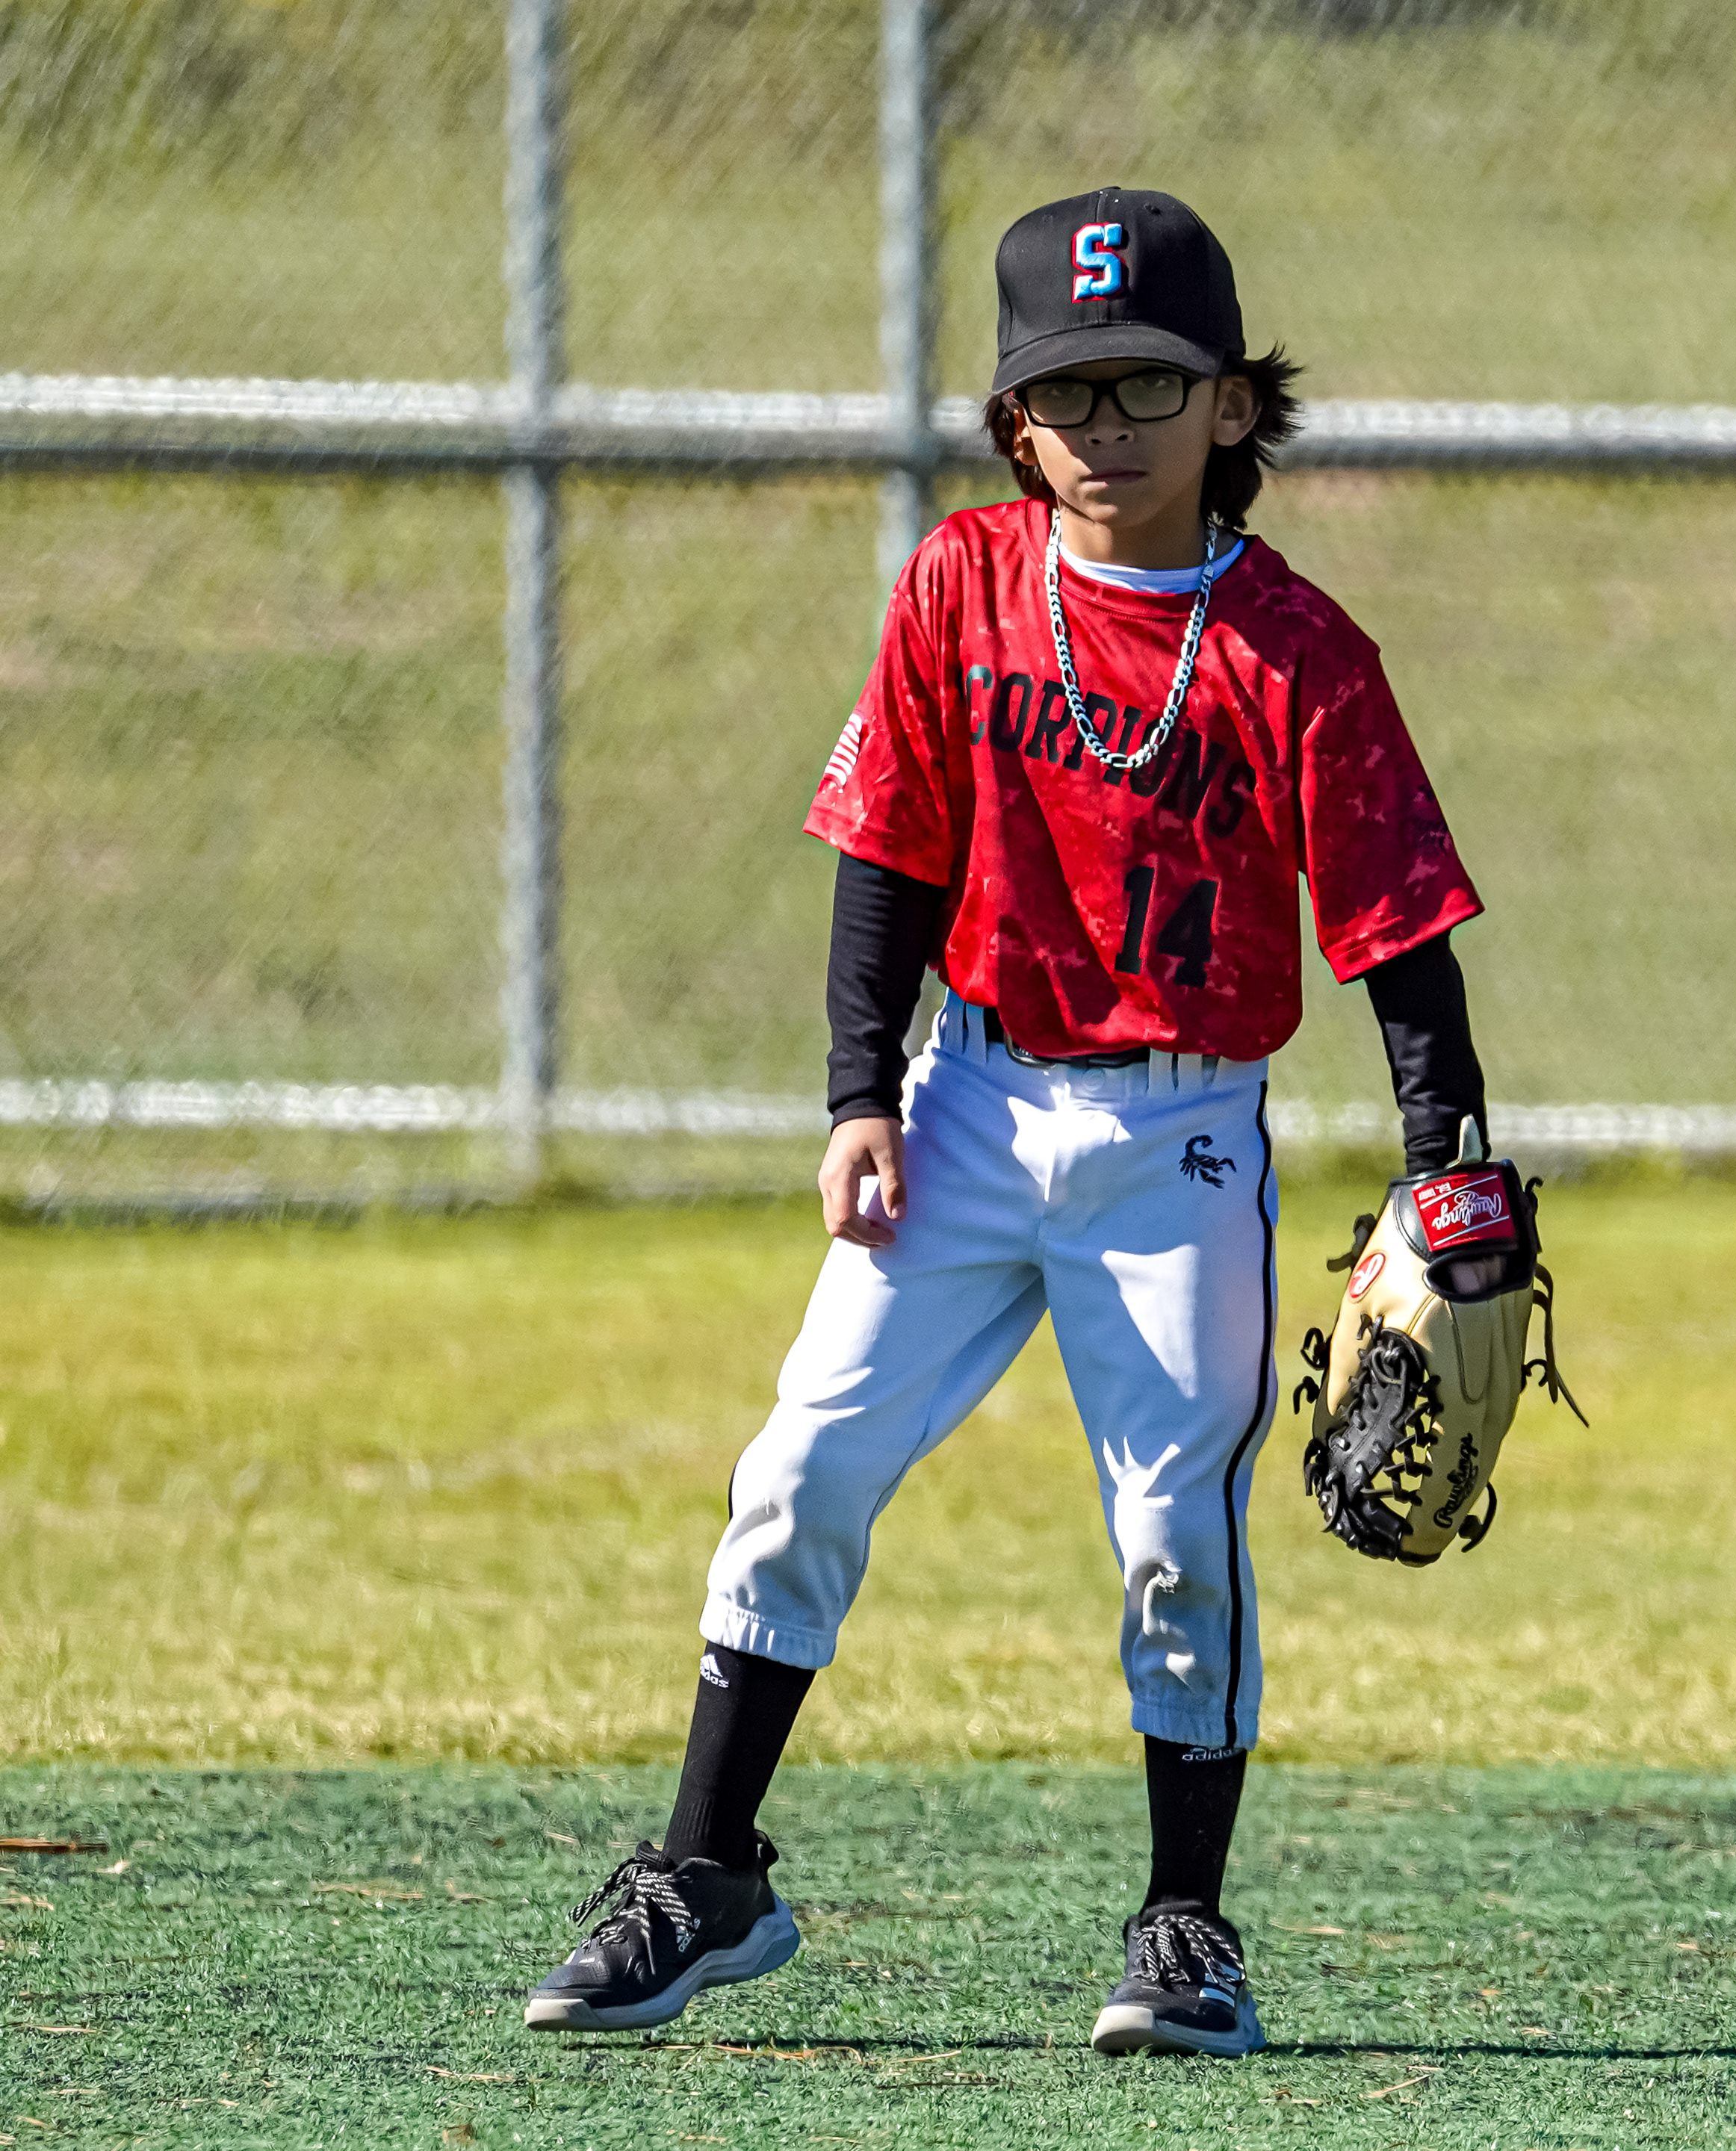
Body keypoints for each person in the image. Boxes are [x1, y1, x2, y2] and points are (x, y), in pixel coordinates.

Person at [520, 187, 1489, 2060]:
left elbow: (1398, 932)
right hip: (964, 1101)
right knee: (802, 1466)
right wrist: (858, 1093)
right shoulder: (960, 583)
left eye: (1150, 384)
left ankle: (1186, 1927)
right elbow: (887, 846)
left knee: (1175, 1533)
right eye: (1065, 391)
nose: (1105, 425)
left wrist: (1445, 1166)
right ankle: (707, 1875)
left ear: (1233, 404)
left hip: (1180, 1140)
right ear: (1013, 423)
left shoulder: (1299, 649)